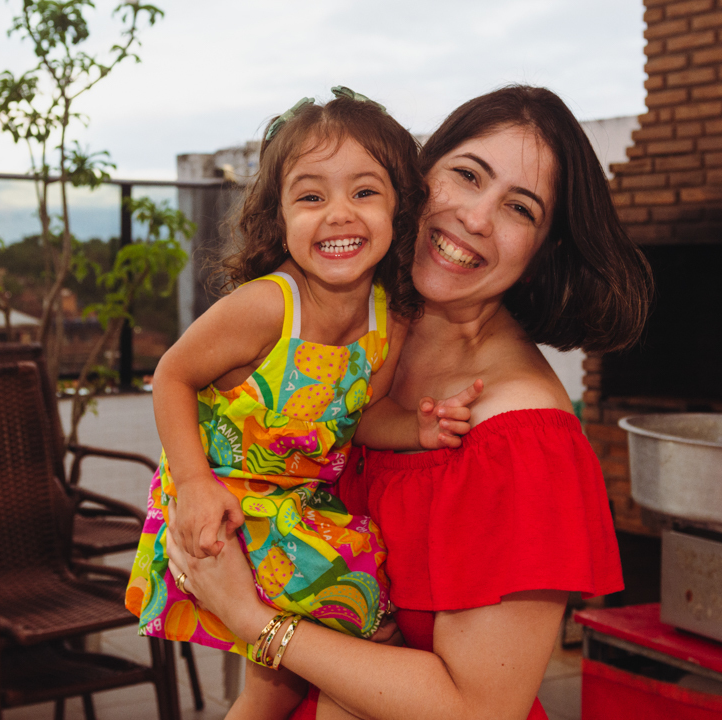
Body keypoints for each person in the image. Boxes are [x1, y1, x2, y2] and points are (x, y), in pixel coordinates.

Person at [163, 85, 652, 720]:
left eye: (519, 209)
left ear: (541, 254)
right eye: (467, 175)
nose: (475, 217)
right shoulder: (354, 335)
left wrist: (250, 620)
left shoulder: (522, 441)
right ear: (415, 180)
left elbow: (481, 709)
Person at [126, 87, 481, 720]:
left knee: (285, 682)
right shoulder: (269, 306)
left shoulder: (387, 321)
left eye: (364, 192)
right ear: (279, 217)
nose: (338, 214)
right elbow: (172, 373)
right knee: (365, 640)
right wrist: (195, 484)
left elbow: (360, 416)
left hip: (299, 513)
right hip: (230, 505)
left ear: (402, 211)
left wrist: (417, 430)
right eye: (311, 196)